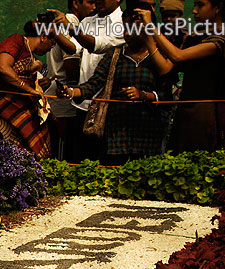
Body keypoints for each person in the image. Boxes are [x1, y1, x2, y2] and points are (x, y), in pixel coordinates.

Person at [60, 8, 172, 163]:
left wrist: (144, 95)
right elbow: (94, 83)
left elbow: (167, 94)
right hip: (116, 138)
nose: (127, 34)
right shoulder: (115, 55)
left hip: (148, 136)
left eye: (133, 29)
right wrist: (71, 92)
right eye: (124, 28)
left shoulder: (160, 57)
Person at [139, 0, 225, 152]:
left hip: (209, 113)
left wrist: (151, 27)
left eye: (200, 5)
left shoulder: (223, 39)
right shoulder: (195, 37)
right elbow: (165, 69)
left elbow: (177, 56)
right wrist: (149, 41)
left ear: (218, 7)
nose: (194, 11)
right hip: (187, 110)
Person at [50, 0, 124, 158]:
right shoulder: (87, 21)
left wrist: (72, 28)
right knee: (79, 158)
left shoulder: (124, 22)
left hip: (107, 105)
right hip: (82, 101)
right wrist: (55, 32)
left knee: (104, 160)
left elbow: (97, 45)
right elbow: (73, 48)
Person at [0, 21, 54, 157]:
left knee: (31, 156)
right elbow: (3, 68)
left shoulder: (32, 56)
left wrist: (40, 85)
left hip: (25, 111)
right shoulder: (16, 41)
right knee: (6, 156)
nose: (50, 49)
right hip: (6, 110)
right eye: (52, 44)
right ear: (43, 36)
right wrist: (30, 90)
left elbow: (26, 82)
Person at [44, 0, 96, 160]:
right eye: (90, 2)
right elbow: (71, 66)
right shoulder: (70, 23)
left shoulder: (67, 23)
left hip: (60, 93)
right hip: (64, 96)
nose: (94, 7)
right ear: (76, 3)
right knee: (64, 149)